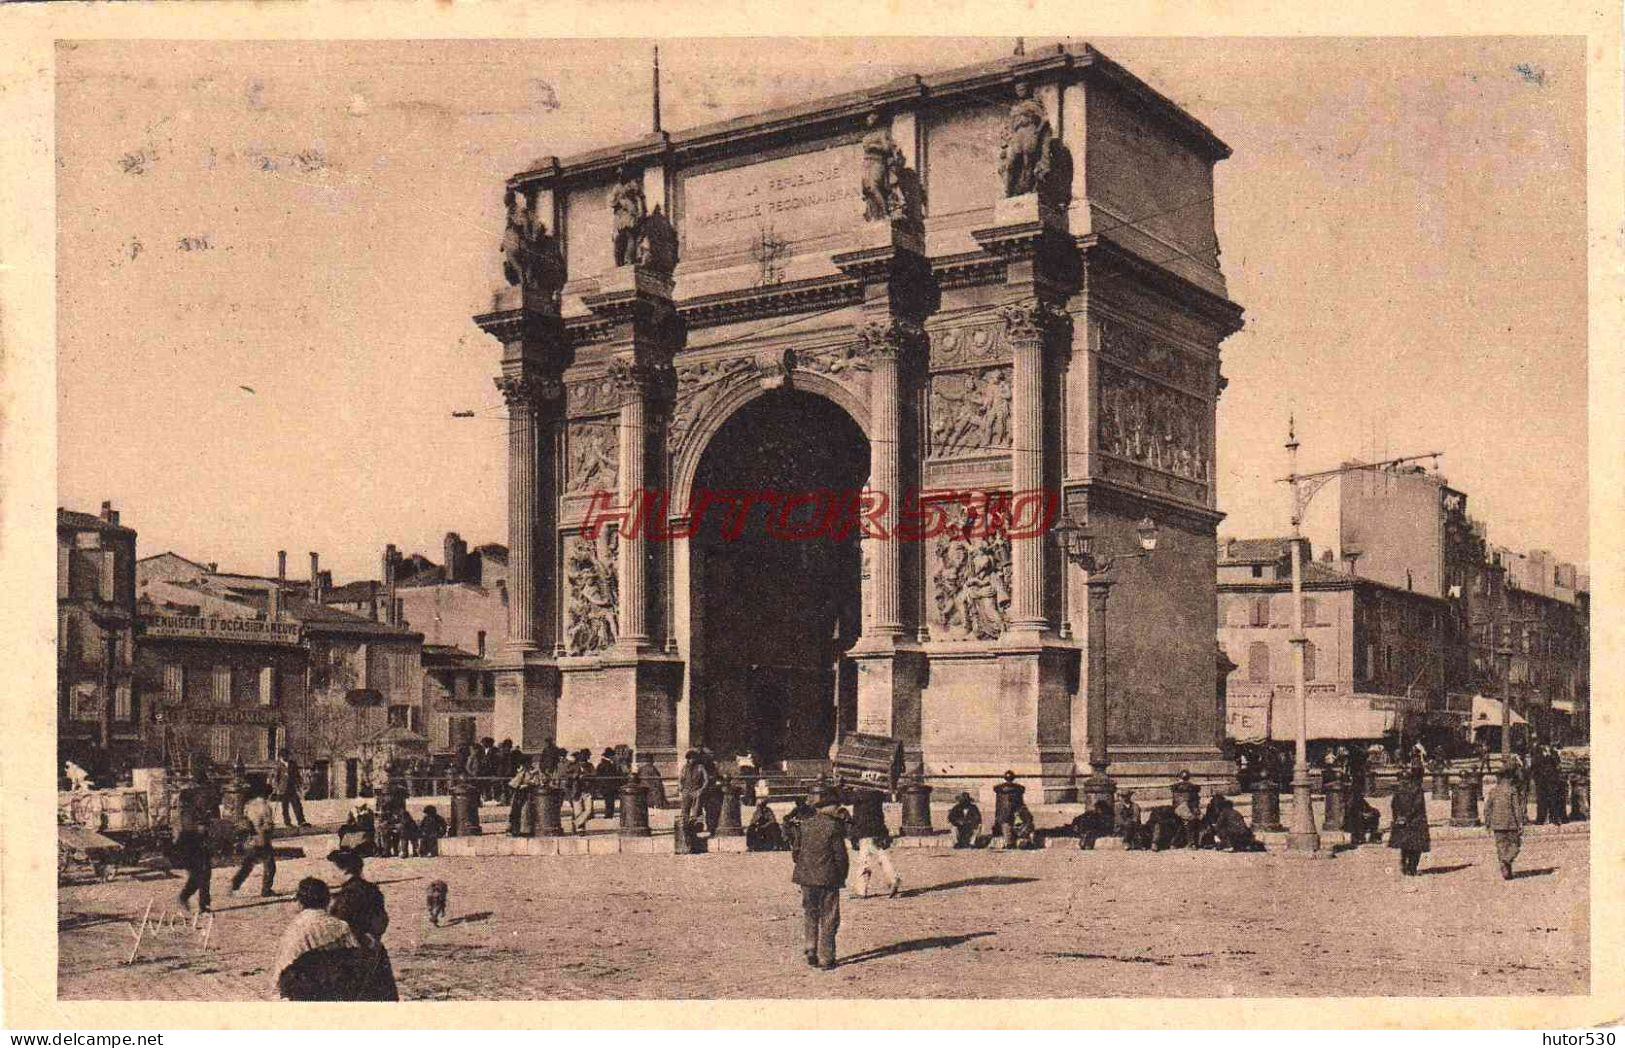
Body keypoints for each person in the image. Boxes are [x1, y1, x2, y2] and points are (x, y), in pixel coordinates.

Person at [273, 877, 363, 1001]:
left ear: (300, 903)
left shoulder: (294, 929)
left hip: (302, 994)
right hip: (337, 992)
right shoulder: (341, 926)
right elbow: (357, 961)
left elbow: (282, 972)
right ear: (328, 901)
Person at [326, 848, 399, 1000]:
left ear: (344, 869)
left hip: (353, 956)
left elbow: (339, 926)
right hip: (375, 952)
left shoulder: (346, 896)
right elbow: (382, 920)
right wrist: (374, 936)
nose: (331, 874)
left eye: (333, 869)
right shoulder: (373, 890)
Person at [791, 789, 849, 970]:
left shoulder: (805, 824)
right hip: (828, 878)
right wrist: (841, 876)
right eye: (836, 805)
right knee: (829, 916)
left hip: (806, 878)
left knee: (810, 912)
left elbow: (796, 852)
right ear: (829, 807)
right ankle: (827, 957)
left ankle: (810, 948)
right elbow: (841, 856)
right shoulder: (834, 826)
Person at [846, 789, 900, 898]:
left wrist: (840, 786)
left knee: (864, 860)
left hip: (864, 830)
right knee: (881, 855)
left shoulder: (859, 794)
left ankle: (861, 890)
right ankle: (893, 878)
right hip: (877, 828)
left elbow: (845, 800)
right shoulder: (877, 794)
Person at [230, 785, 277, 897]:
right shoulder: (266, 807)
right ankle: (266, 890)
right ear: (268, 794)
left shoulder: (250, 805)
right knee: (270, 866)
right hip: (262, 839)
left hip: (250, 839)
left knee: (248, 864)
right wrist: (271, 827)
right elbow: (267, 825)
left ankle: (235, 884)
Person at [1388, 764, 1431, 875]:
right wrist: (1406, 817)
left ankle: (1404, 865)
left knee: (1405, 845)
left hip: (1402, 821)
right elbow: (1417, 806)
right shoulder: (1417, 789)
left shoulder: (1398, 790)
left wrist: (1398, 817)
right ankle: (1412, 869)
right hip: (1416, 821)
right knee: (1416, 847)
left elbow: (1393, 805)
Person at [1483, 767, 1523, 880]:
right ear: (1509, 778)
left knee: (1501, 847)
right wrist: (1520, 823)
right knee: (1515, 845)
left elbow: (1487, 808)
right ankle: (1507, 861)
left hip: (1497, 824)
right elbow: (1517, 808)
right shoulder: (1512, 790)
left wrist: (1487, 822)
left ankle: (1506, 870)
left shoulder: (1493, 791)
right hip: (1511, 823)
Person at [171, 824, 213, 915]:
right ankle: (204, 906)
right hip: (190, 846)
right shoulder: (188, 818)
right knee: (201, 877)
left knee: (201, 877)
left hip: (201, 845)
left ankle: (184, 897)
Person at [274, 749, 310, 828]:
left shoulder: (293, 764)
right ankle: (287, 822)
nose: (285, 757)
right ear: (281, 757)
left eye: (286, 755)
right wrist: (276, 788)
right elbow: (276, 778)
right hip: (283, 789)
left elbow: (297, 775)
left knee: (297, 804)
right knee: (285, 807)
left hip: (292, 788)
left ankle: (301, 821)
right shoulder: (279, 766)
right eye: (283, 756)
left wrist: (301, 784)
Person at [678, 750, 710, 837]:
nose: (692, 760)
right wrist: (681, 788)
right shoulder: (684, 768)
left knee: (697, 810)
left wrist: (701, 790)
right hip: (686, 791)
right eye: (690, 759)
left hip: (696, 791)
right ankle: (685, 827)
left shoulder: (700, 767)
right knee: (685, 809)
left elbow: (706, 780)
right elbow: (680, 779)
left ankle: (697, 827)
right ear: (688, 759)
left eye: (694, 758)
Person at [1170, 770, 1202, 849]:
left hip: (1179, 809)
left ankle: (1176, 843)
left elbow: (1175, 802)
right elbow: (1195, 803)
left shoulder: (1176, 787)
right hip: (1185, 809)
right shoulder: (1192, 788)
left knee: (1187, 821)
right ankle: (1192, 843)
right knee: (1190, 820)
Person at [595, 748, 624, 821]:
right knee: (609, 801)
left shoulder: (603, 764)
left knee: (609, 801)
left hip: (607, 786)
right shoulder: (607, 764)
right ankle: (608, 815)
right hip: (608, 786)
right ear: (610, 756)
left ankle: (609, 814)